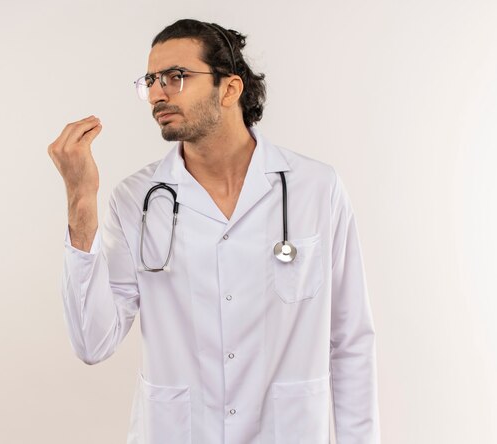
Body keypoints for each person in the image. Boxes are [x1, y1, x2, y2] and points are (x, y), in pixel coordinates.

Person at [48, 18, 380, 444]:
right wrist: (80, 198)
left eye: (176, 77)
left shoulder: (315, 188)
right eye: (150, 80)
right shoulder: (137, 199)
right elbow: (92, 342)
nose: (156, 93)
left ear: (230, 89)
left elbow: (350, 340)